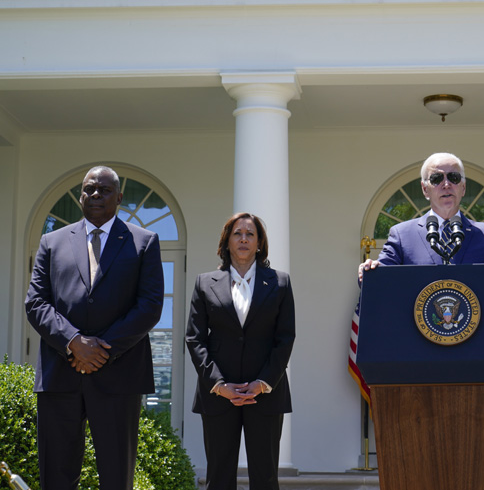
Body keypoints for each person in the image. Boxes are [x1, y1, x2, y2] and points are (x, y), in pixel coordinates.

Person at [25, 165, 164, 490]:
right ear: (80, 197)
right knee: (56, 477)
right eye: (89, 189)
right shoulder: (51, 241)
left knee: (116, 477)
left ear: (119, 197)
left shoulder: (144, 241)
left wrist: (101, 350)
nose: (96, 194)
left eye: (104, 189)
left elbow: (150, 305)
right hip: (60, 374)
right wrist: (73, 342)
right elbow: (35, 303)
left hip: (119, 376)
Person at [186, 212, 295, 490]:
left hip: (266, 394)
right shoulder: (204, 283)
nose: (243, 239)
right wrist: (218, 385)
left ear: (259, 243)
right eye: (237, 233)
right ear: (227, 241)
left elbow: (285, 338)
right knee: (219, 477)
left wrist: (263, 383)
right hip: (218, 394)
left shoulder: (280, 283)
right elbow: (195, 339)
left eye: (250, 234)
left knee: (266, 477)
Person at [359, 152, 484, 280]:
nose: (446, 184)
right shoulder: (402, 235)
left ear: (463, 188)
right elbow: (381, 272)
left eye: (453, 177)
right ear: (424, 189)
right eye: (436, 178)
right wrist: (371, 269)